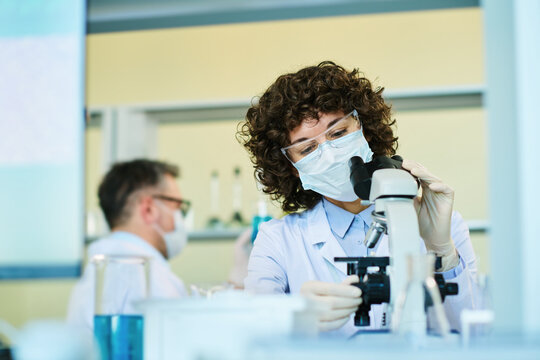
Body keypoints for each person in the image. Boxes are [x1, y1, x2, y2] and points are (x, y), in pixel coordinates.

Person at [239, 61, 479, 336]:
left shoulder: (442, 225)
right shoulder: (278, 239)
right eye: (307, 149)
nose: (329, 154)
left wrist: (440, 250)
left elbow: (472, 335)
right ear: (291, 166)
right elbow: (252, 338)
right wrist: (295, 318)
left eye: (339, 133)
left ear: (363, 127)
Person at [67, 159, 189, 330]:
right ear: (149, 209)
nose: (180, 218)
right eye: (178, 207)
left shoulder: (93, 274)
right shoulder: (149, 279)